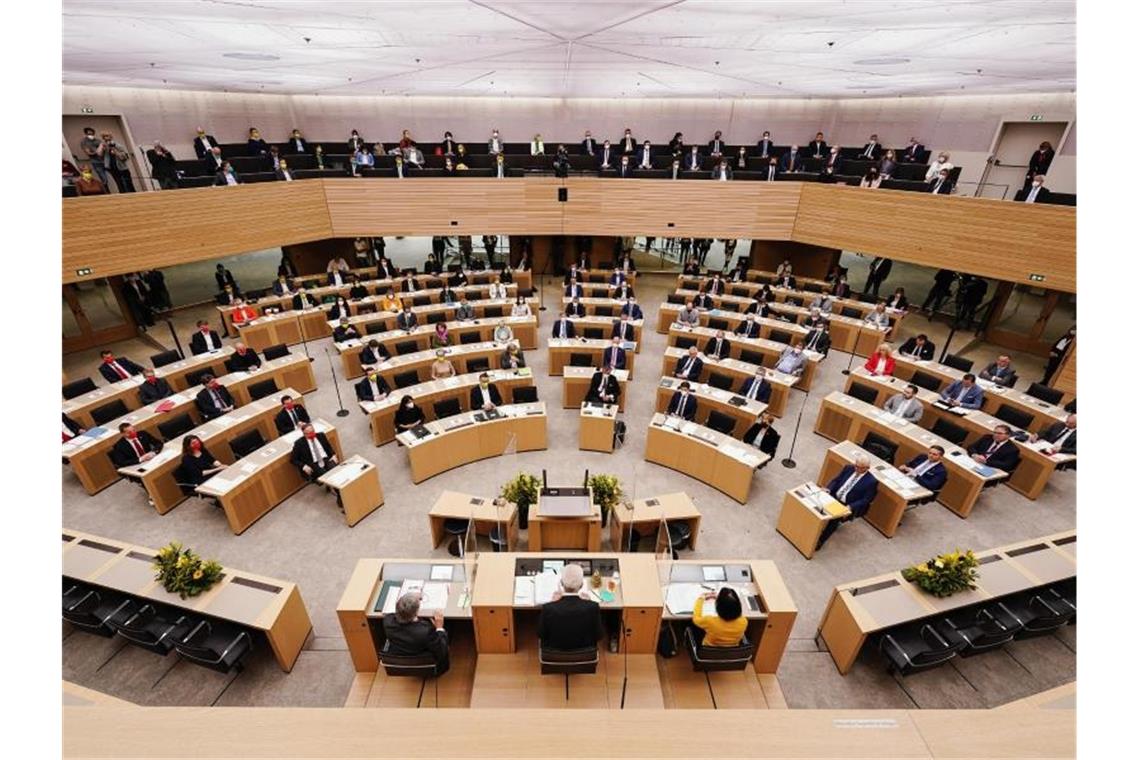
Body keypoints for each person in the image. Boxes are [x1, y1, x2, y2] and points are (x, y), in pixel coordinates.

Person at [818, 454, 879, 549]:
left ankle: (820, 541)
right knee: (816, 503)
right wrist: (829, 489)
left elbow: (866, 499)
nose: (856, 469)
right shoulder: (848, 468)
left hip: (846, 504)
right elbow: (836, 480)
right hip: (834, 495)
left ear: (867, 468)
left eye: (860, 468)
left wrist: (851, 506)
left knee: (833, 521)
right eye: (856, 465)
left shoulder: (871, 481)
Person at [538, 564, 603, 653]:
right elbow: (599, 635)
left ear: (561, 583)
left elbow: (541, 634)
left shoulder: (548, 608)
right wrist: (589, 603)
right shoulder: (593, 607)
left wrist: (552, 603)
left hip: (555, 654)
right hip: (584, 654)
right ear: (581, 585)